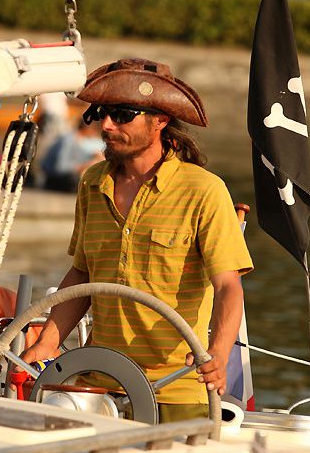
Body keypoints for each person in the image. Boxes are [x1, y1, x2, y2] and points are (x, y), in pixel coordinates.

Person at [21, 58, 253, 422]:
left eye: (123, 115)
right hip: (98, 381)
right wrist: (47, 342)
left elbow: (227, 286)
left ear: (159, 120)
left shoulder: (204, 191)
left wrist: (219, 354)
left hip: (176, 387)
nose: (108, 125)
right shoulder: (91, 183)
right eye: (104, 114)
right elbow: (81, 274)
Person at [39, 118, 105, 192]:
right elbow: (60, 167)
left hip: (60, 178)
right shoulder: (68, 140)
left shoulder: (76, 140)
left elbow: (81, 156)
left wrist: (93, 156)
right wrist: (84, 166)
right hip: (54, 180)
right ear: (88, 129)